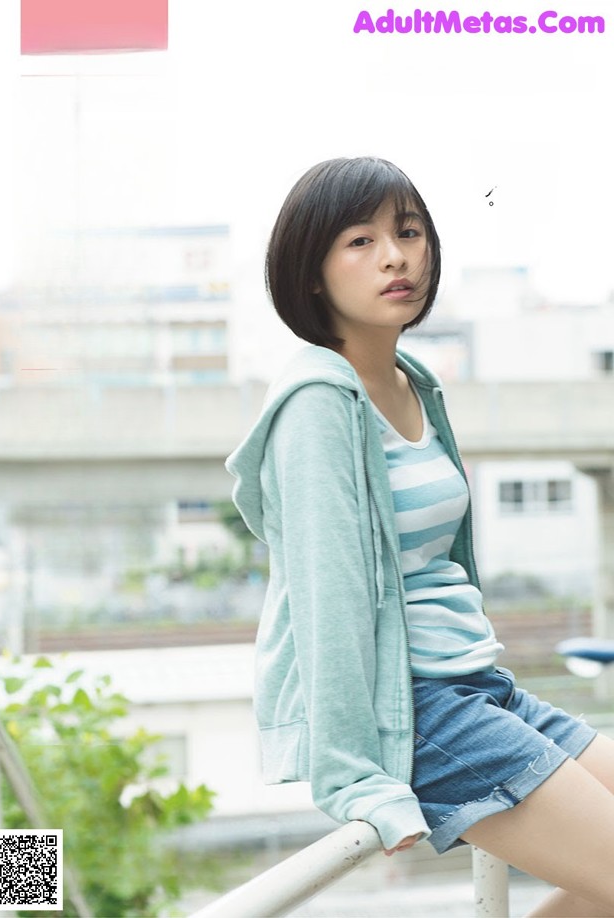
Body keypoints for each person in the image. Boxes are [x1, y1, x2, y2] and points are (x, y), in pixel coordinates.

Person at [225, 156, 614, 916]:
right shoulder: (315, 408)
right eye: (360, 241)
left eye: (407, 232)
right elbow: (326, 603)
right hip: (418, 710)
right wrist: (352, 776)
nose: (395, 256)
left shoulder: (414, 383)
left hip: (479, 687)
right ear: (311, 272)